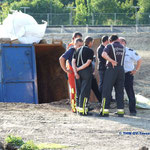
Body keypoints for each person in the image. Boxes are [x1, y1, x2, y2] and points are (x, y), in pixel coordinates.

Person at [100, 35, 125, 117]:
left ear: (110, 40)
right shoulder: (123, 47)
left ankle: (104, 111)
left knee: (106, 90)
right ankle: (121, 111)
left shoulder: (109, 45)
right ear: (118, 39)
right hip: (121, 70)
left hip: (111, 69)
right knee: (120, 91)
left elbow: (103, 54)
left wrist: (111, 60)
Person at [59, 38, 84, 112]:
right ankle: (74, 107)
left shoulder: (81, 50)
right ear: (75, 44)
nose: (80, 47)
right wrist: (65, 70)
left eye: (81, 46)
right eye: (79, 45)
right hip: (72, 72)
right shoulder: (71, 50)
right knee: (74, 90)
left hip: (79, 72)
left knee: (80, 90)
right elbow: (61, 59)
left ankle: (80, 106)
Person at [119, 37, 142, 116]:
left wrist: (136, 70)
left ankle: (132, 111)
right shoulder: (116, 51)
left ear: (123, 43)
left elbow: (139, 60)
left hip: (128, 74)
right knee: (119, 92)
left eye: (119, 42)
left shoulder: (130, 51)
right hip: (119, 74)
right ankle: (120, 110)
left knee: (130, 92)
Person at [72, 36, 94, 116]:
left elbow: (73, 62)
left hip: (78, 73)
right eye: (92, 42)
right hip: (86, 72)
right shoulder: (90, 51)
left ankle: (78, 109)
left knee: (79, 91)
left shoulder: (77, 50)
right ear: (90, 42)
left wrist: (75, 71)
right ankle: (83, 111)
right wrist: (79, 69)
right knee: (85, 91)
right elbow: (88, 63)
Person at [97, 35, 109, 102]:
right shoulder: (101, 48)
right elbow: (104, 58)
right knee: (102, 83)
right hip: (102, 68)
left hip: (104, 67)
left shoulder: (103, 47)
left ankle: (106, 97)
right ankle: (101, 98)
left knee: (106, 83)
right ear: (106, 41)